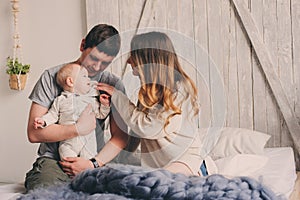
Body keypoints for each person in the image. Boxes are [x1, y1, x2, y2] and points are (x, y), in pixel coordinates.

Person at [25, 24, 128, 191]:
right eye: (94, 58)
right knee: (46, 190)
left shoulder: (112, 84)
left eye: (105, 63)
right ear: (82, 45)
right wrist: (77, 129)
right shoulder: (51, 77)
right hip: (56, 160)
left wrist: (92, 163)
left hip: (94, 159)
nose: (96, 67)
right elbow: (34, 133)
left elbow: (120, 137)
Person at [97, 31, 203, 176]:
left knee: (160, 183)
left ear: (147, 60)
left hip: (187, 162)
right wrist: (118, 159)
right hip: (160, 164)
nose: (128, 61)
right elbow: (137, 132)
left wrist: (117, 96)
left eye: (133, 55)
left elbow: (147, 128)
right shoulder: (150, 90)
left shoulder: (178, 91)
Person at [33, 63, 111, 160]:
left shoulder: (90, 100)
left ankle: (84, 172)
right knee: (66, 156)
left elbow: (101, 114)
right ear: (70, 81)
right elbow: (53, 115)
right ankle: (72, 171)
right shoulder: (60, 100)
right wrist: (44, 121)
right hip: (67, 142)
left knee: (88, 159)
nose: (89, 79)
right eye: (84, 76)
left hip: (87, 141)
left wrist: (104, 105)